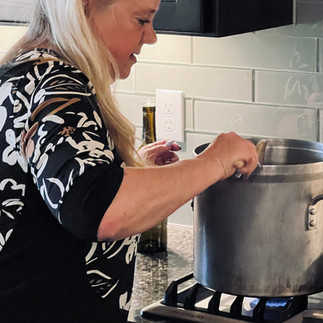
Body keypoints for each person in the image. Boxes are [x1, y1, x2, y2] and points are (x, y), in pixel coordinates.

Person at [0, 0, 258, 322]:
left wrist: (123, 172)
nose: (151, 37)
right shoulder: (55, 86)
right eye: (141, 20)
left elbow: (52, 191)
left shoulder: (27, 72)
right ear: (85, 8)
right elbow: (97, 207)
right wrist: (215, 162)